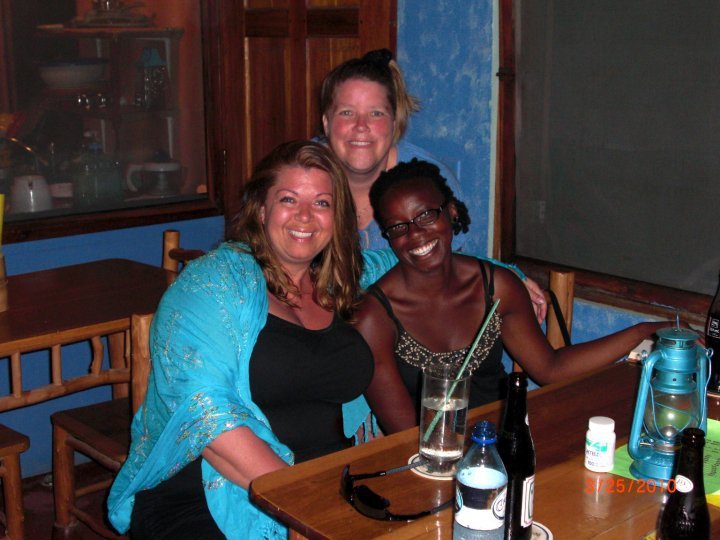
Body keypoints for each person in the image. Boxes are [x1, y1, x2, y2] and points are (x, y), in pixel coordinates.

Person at [107, 141, 397, 539]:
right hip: (207, 493)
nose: (305, 216)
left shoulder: (345, 280)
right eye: (288, 199)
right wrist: (308, 506)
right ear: (261, 210)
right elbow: (206, 415)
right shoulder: (213, 283)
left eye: (322, 203)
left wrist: (494, 269)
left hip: (328, 481)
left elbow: (417, 257)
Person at [354, 159, 671, 434]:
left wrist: (641, 332)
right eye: (398, 227)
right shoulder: (374, 317)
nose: (415, 234)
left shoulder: (497, 287)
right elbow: (404, 437)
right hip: (430, 458)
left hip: (500, 443)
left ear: (451, 211)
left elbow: (551, 369)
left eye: (426, 215)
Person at [319, 48, 548, 321]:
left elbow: (444, 270)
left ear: (395, 122)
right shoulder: (300, 176)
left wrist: (501, 277)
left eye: (376, 113)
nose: (361, 126)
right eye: (347, 112)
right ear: (326, 123)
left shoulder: (428, 181)